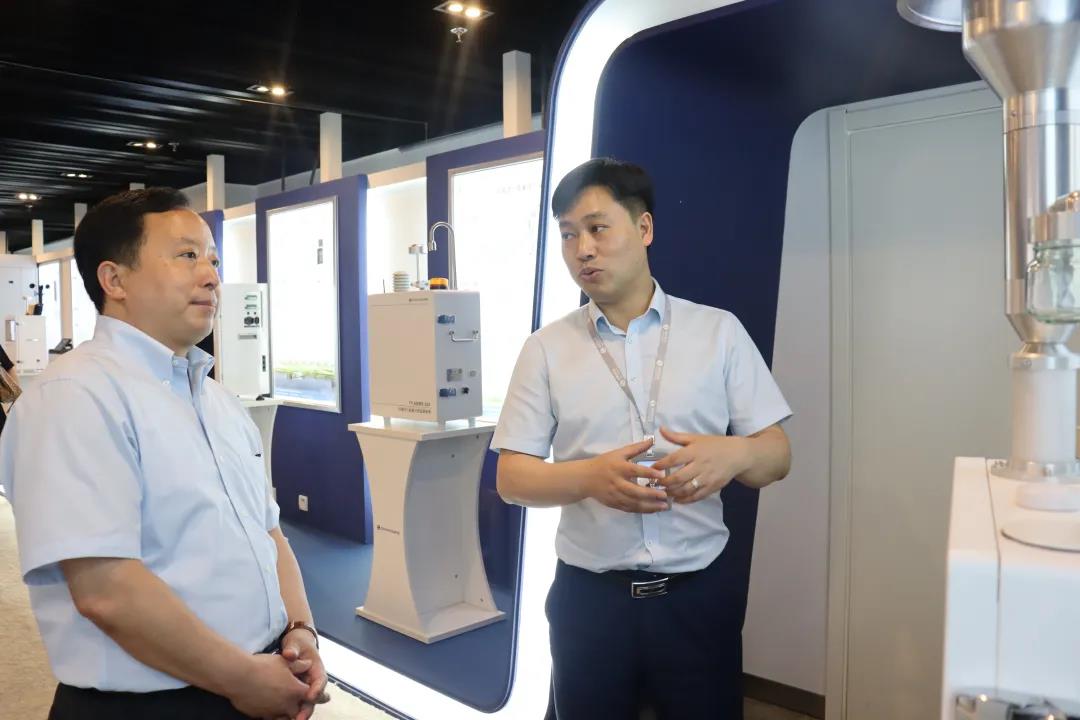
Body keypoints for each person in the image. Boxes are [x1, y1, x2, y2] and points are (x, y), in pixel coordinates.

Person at [0, 188, 329, 720]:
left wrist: (300, 630)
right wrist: (242, 679)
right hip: (152, 705)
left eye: (213, 259)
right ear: (115, 280)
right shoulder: (74, 396)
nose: (212, 276)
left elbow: (268, 533)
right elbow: (106, 590)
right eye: (187, 255)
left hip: (259, 679)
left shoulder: (218, 400)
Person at [493, 158, 793, 719]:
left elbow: (777, 455)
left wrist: (738, 452)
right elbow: (511, 478)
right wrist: (589, 478)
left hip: (697, 598)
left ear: (644, 227)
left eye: (597, 228)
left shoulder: (718, 331)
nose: (583, 249)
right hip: (590, 603)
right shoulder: (545, 349)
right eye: (568, 235)